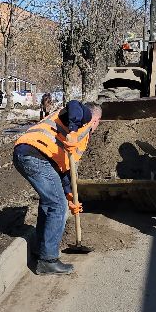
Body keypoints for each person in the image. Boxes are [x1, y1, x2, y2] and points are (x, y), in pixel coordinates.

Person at [13, 100, 103, 275]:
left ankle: (40, 249)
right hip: (35, 155)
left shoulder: (82, 137)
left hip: (28, 154)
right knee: (57, 205)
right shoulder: (83, 116)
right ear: (96, 120)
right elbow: (74, 104)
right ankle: (48, 261)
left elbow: (63, 169)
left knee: (50, 203)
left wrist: (70, 195)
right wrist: (73, 131)